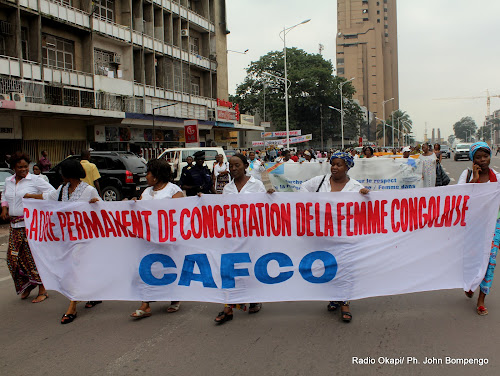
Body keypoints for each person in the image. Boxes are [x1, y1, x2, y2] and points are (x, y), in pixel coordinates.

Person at [24, 159, 101, 324]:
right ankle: (93, 295)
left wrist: (96, 204)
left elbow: (102, 211)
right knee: (74, 268)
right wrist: (30, 197)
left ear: (68, 173)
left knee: (75, 269)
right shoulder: (62, 190)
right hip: (66, 237)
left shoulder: (89, 191)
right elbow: (46, 197)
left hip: (84, 237)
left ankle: (72, 306)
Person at [299, 152, 369, 323]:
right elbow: (302, 189)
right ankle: (333, 297)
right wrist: (312, 205)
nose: (335, 168)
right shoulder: (320, 181)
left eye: (339, 165)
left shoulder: (355, 186)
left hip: (345, 234)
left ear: (347, 167)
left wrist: (366, 195)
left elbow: (365, 207)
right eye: (333, 164)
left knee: (345, 266)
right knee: (329, 265)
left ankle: (345, 302)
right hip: (323, 233)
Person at [214, 154, 267, 324]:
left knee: (250, 267)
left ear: (245, 166)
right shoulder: (227, 188)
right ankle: (228, 307)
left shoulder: (257, 184)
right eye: (231, 165)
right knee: (231, 268)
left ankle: (253, 298)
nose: (234, 168)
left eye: (237, 165)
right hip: (233, 236)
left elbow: (266, 207)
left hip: (252, 235)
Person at [130, 159, 184, 319]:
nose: (146, 176)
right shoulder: (146, 192)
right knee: (145, 269)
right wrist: (133, 204)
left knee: (169, 269)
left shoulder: (173, 190)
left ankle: (175, 298)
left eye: (148, 173)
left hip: (168, 241)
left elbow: (180, 214)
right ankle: (145, 304)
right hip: (148, 240)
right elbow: (140, 212)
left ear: (157, 175)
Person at [1, 152, 55, 302]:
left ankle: (43, 289)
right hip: (14, 225)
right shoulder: (9, 181)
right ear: (13, 168)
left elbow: (52, 193)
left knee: (33, 258)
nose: (24, 169)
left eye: (26, 166)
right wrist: (4, 209)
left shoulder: (35, 180)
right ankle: (28, 284)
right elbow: (5, 196)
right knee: (13, 260)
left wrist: (32, 196)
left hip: (31, 226)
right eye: (20, 167)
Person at [458, 142, 500, 316]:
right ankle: (471, 283)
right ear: (472, 159)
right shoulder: (466, 174)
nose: (483, 160)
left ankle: (481, 300)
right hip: (473, 225)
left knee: (489, 261)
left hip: (493, 224)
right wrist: (474, 180)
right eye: (478, 157)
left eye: (485, 156)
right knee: (472, 258)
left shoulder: (497, 176)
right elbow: (459, 198)